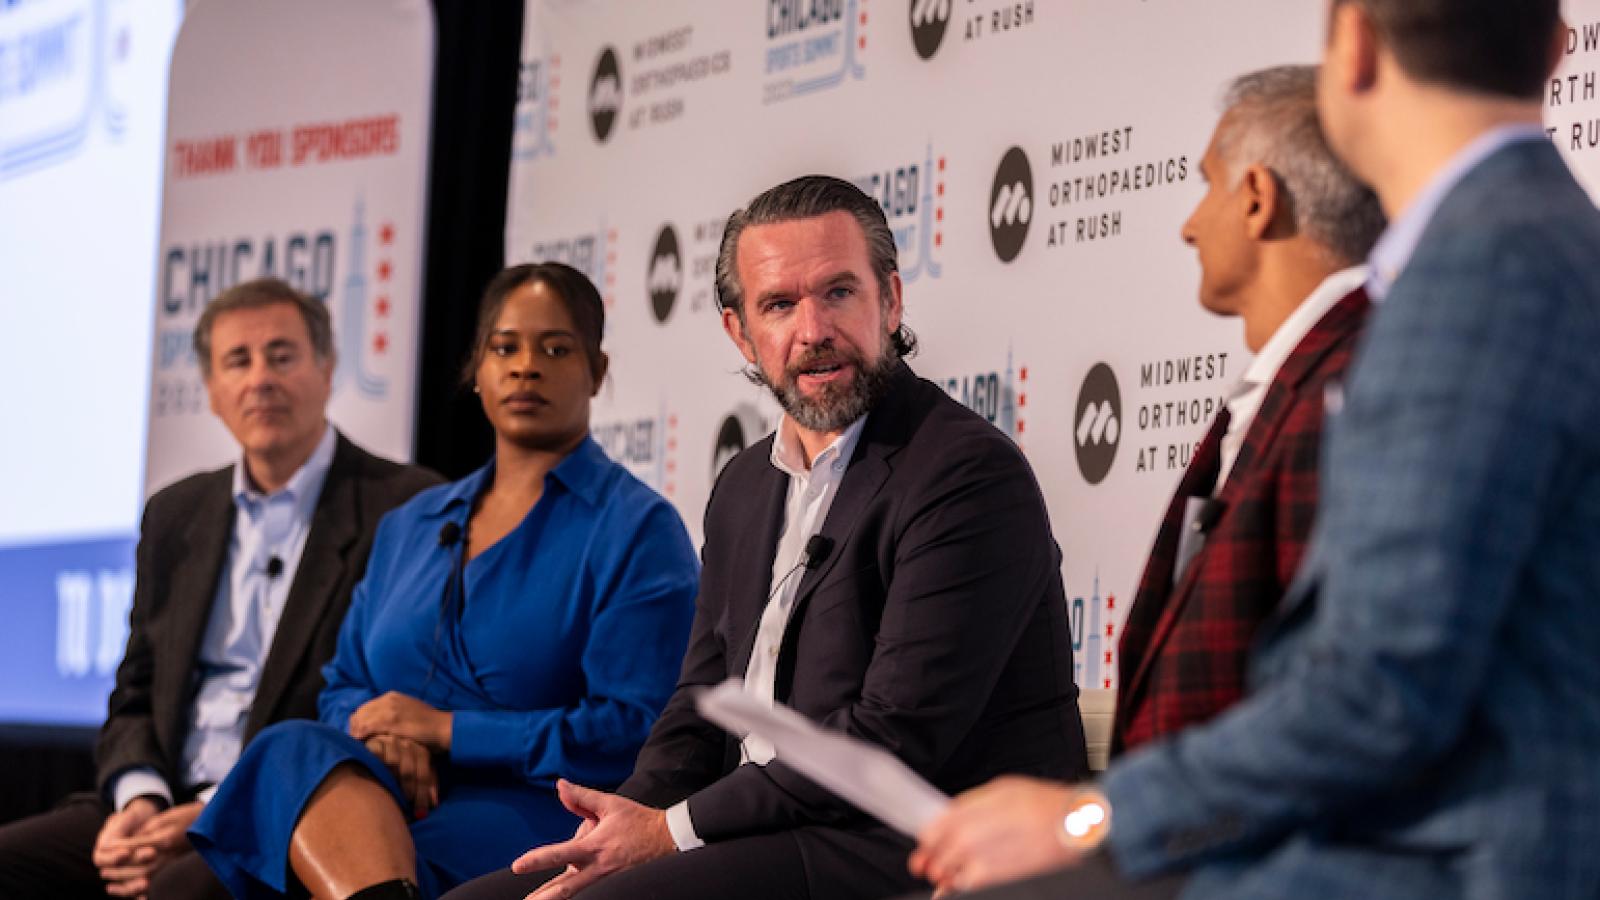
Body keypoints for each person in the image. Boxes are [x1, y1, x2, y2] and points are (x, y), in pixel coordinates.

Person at [908, 2, 1600, 897]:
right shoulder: (1547, 245)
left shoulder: (1476, 275)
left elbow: (1379, 694)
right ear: (1554, 48)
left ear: (1351, 43)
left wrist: (1088, 818)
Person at [445, 175, 1087, 900]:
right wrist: (632, 819)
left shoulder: (965, 474)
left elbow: (891, 739)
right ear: (740, 329)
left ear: (892, 299)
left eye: (839, 293)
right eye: (780, 304)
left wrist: (671, 832)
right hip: (760, 833)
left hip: (908, 846)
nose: (813, 331)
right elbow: (699, 702)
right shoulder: (747, 485)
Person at [187, 263, 700, 899]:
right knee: (289, 746)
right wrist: (387, 731)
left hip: (538, 807)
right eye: (504, 347)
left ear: (596, 371)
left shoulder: (637, 528)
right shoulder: (411, 523)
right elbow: (344, 686)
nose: (525, 366)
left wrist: (446, 731)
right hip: (389, 788)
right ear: (477, 371)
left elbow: (630, 730)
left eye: (556, 348)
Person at [0, 277, 440, 900]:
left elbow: (374, 697)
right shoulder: (175, 513)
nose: (260, 378)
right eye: (239, 360)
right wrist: (139, 801)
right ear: (210, 390)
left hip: (286, 806)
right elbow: (135, 695)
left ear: (327, 368)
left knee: (182, 889)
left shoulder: (405, 506)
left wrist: (216, 808)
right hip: (161, 799)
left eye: (281, 356)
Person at [1114, 65, 1383, 755]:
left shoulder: (1347, 391)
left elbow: (1329, 703)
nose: (1189, 226)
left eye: (1207, 185)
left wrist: (1102, 823)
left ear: (1258, 198)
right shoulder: (1309, 379)